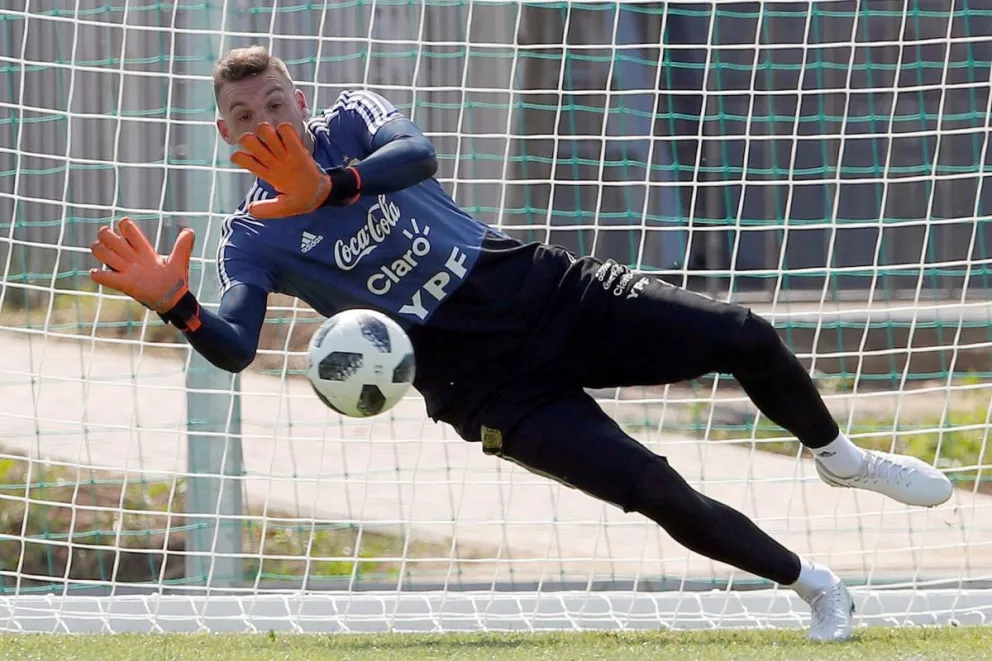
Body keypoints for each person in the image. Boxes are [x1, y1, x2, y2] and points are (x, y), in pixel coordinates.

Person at [88, 46, 953, 642]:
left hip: (547, 292)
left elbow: (417, 155)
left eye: (275, 100)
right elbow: (236, 344)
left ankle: (838, 454)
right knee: (656, 489)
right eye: (244, 113)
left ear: (299, 100)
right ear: (226, 136)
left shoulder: (351, 120)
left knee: (744, 333)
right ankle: (814, 585)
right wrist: (180, 307)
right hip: (485, 386)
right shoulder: (250, 238)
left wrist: (334, 184)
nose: (263, 115)